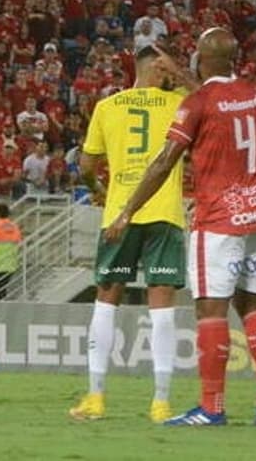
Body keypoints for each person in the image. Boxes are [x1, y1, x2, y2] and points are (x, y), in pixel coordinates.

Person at [109, 28, 256, 427]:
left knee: (210, 309)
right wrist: (186, 77)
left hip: (219, 218)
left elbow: (164, 161)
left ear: (199, 61)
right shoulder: (250, 93)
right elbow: (213, 100)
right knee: (252, 306)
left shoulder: (196, 103)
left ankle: (212, 407)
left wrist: (127, 211)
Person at [69, 45, 187, 424]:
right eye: (166, 69)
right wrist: (182, 76)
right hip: (164, 212)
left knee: (106, 302)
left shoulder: (107, 107)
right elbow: (211, 100)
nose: (171, 75)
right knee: (162, 307)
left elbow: (86, 165)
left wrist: (99, 190)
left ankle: (96, 397)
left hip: (120, 211)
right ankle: (161, 402)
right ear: (157, 68)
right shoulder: (181, 103)